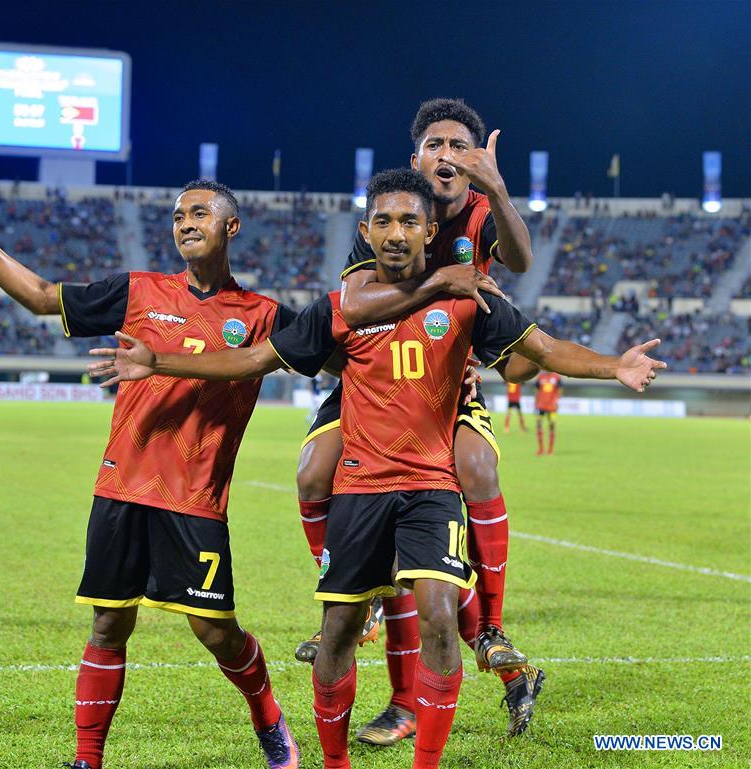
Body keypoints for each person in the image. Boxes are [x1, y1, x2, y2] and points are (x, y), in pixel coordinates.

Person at [86, 169, 666, 768]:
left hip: (430, 488)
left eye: (410, 221)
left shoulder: (466, 301)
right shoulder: (339, 310)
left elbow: (543, 350)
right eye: (384, 221)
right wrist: (160, 360)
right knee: (337, 630)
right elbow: (251, 359)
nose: (396, 233)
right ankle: (334, 763)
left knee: (439, 615)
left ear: (429, 230)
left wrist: (612, 366)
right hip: (359, 491)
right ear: (366, 231)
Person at [0, 182, 300, 769]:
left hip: (195, 500)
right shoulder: (137, 292)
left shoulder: (265, 316)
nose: (186, 223)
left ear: (231, 227)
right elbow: (39, 297)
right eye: (179, 215)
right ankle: (88, 761)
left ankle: (267, 717)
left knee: (217, 633)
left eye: (201, 213)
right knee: (108, 624)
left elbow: (347, 354)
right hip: (121, 488)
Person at [296, 97, 543, 741]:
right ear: (415, 158)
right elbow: (356, 301)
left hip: (444, 379)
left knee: (477, 466)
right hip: (375, 376)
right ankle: (353, 591)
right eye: (435, 145)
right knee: (313, 471)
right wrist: (435, 289)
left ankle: (488, 629)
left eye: (460, 146)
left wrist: (499, 187)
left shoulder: (482, 213)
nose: (447, 156)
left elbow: (518, 261)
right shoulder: (390, 212)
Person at [535, 370, 562, 455]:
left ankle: (550, 450)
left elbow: (559, 390)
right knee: (539, 424)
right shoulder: (540, 377)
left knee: (552, 425)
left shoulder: (556, 377)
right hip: (541, 405)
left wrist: (557, 401)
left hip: (552, 406)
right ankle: (541, 449)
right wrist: (536, 403)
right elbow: (536, 390)